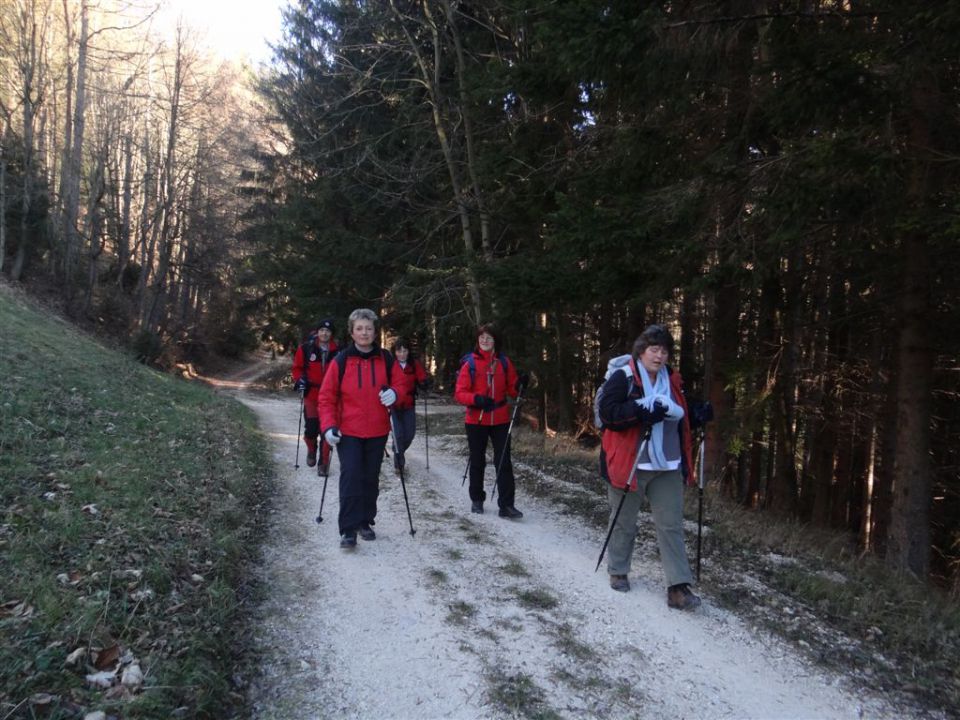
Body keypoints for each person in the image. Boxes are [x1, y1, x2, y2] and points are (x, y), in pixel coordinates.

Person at [596, 323, 701, 610]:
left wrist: (697, 415)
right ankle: (618, 569)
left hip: (666, 462)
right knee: (624, 521)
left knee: (671, 525)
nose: (659, 356)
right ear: (641, 351)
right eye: (654, 349)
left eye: (664, 351)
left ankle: (678, 588)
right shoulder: (624, 376)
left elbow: (681, 414)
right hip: (630, 461)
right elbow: (608, 414)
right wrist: (641, 411)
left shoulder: (672, 379)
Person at [318, 308, 399, 548]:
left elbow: (401, 384)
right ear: (352, 332)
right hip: (348, 430)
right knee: (351, 475)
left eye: (369, 328)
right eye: (360, 328)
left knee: (370, 477)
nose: (364, 333)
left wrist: (396, 393)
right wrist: (329, 427)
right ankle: (349, 529)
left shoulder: (385, 359)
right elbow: (326, 397)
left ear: (375, 332)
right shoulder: (341, 360)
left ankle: (365, 520)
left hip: (377, 430)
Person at [454, 323, 528, 519]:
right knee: (477, 460)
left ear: (495, 340)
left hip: (500, 418)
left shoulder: (504, 362)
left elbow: (513, 389)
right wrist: (476, 399)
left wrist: (521, 384)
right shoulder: (470, 363)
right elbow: (460, 393)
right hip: (476, 419)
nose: (485, 341)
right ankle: (477, 499)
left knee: (503, 461)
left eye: (489, 337)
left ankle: (507, 505)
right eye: (482, 337)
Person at [291, 319, 338, 472]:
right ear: (317, 332)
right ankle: (311, 449)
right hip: (311, 394)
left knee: (327, 430)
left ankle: (323, 464)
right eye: (322, 330)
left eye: (328, 331)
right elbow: (297, 369)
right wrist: (300, 380)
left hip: (331, 396)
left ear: (331, 334)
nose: (325, 333)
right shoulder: (306, 349)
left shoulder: (338, 351)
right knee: (311, 428)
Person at [389, 338, 431, 475]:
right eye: (399, 351)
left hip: (409, 405)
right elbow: (384, 381)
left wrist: (424, 383)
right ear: (395, 352)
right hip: (394, 406)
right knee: (399, 435)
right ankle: (399, 464)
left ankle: (398, 449)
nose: (402, 354)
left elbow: (421, 377)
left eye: (404, 351)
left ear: (408, 352)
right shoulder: (390, 365)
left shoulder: (414, 364)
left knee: (410, 434)